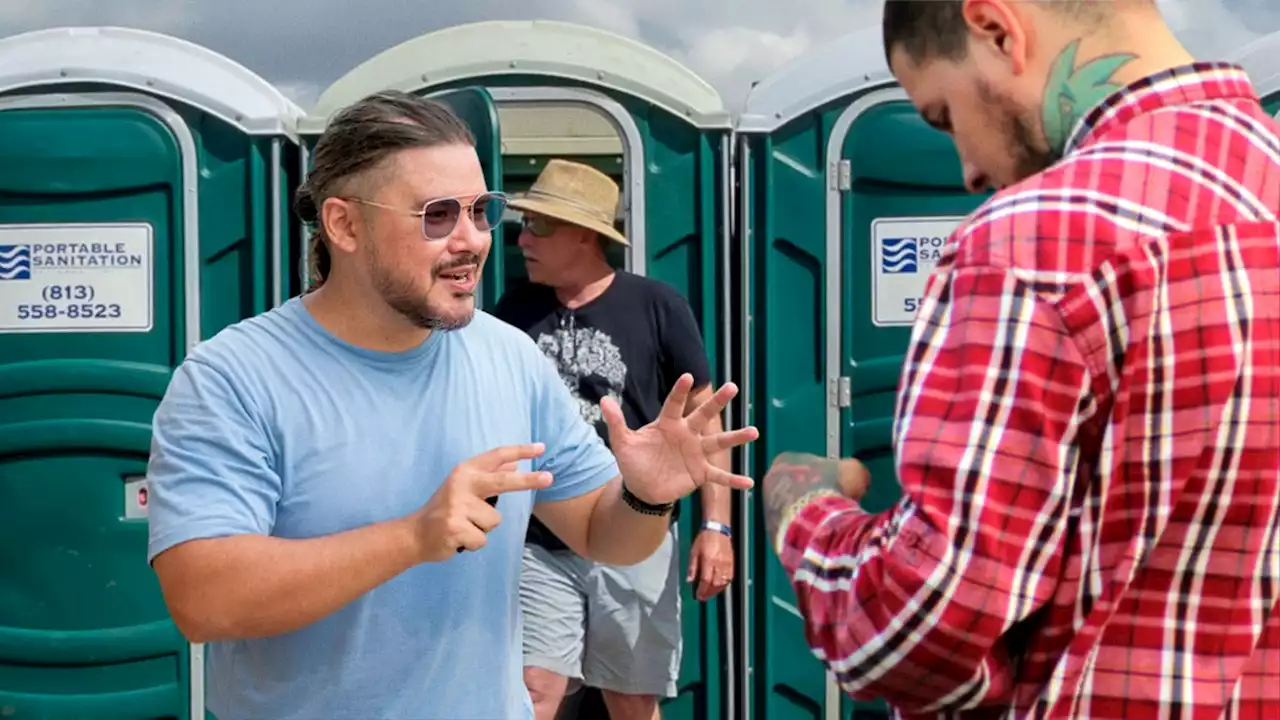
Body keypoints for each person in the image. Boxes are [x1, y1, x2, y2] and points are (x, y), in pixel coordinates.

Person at [142, 90, 759, 720]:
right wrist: (413, 536)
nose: (474, 241)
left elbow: (607, 535)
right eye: (438, 215)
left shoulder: (511, 358)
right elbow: (202, 599)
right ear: (344, 224)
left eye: (482, 210)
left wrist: (647, 495)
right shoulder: (233, 378)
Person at [762, 1, 1280, 719]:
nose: (968, 171)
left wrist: (801, 505)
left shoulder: (1036, 243)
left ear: (996, 28)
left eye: (943, 116)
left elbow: (920, 636)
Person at [492, 159, 735, 720]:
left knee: (630, 698)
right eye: (524, 224)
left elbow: (704, 420)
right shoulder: (512, 311)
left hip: (637, 528)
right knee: (535, 689)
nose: (523, 239)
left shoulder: (657, 306)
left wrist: (716, 527)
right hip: (541, 535)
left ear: (585, 235)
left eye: (539, 227)